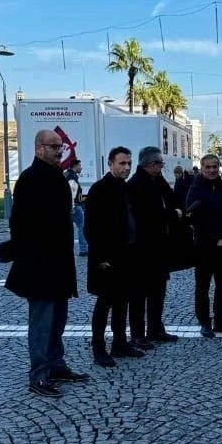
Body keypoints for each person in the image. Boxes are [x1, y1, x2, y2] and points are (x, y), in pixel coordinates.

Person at [4, 129, 89, 397]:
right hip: (39, 263)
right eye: (54, 146)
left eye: (60, 147)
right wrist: (27, 253)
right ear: (39, 147)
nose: (59, 150)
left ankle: (56, 364)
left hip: (60, 262)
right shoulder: (29, 179)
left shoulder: (59, 178)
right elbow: (19, 224)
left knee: (58, 319)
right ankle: (39, 374)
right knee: (41, 322)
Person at [85, 146, 145, 363]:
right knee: (104, 304)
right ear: (110, 164)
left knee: (123, 302)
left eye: (129, 163)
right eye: (122, 163)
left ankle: (120, 343)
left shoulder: (126, 188)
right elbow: (90, 227)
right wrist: (100, 258)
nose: (126, 167)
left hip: (127, 256)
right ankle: (98, 348)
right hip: (107, 259)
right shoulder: (99, 189)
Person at [127, 146, 183, 348]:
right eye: (160, 163)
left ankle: (155, 329)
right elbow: (150, 214)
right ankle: (137, 334)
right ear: (151, 164)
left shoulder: (155, 180)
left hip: (158, 247)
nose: (162, 166)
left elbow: (170, 198)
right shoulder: (137, 185)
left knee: (158, 291)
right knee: (139, 293)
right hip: (141, 248)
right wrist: (173, 214)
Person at [186, 154, 222, 338]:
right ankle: (204, 322)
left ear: (219, 168)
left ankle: (220, 321)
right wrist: (215, 239)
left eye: (214, 166)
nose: (211, 170)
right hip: (204, 248)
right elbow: (195, 219)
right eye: (207, 167)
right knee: (202, 287)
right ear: (201, 168)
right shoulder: (195, 190)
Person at [64, 159, 88, 256]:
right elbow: (71, 193)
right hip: (75, 207)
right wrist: (72, 207)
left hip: (70, 206)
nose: (81, 168)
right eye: (80, 166)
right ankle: (83, 249)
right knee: (81, 226)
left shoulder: (67, 175)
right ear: (75, 166)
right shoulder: (72, 177)